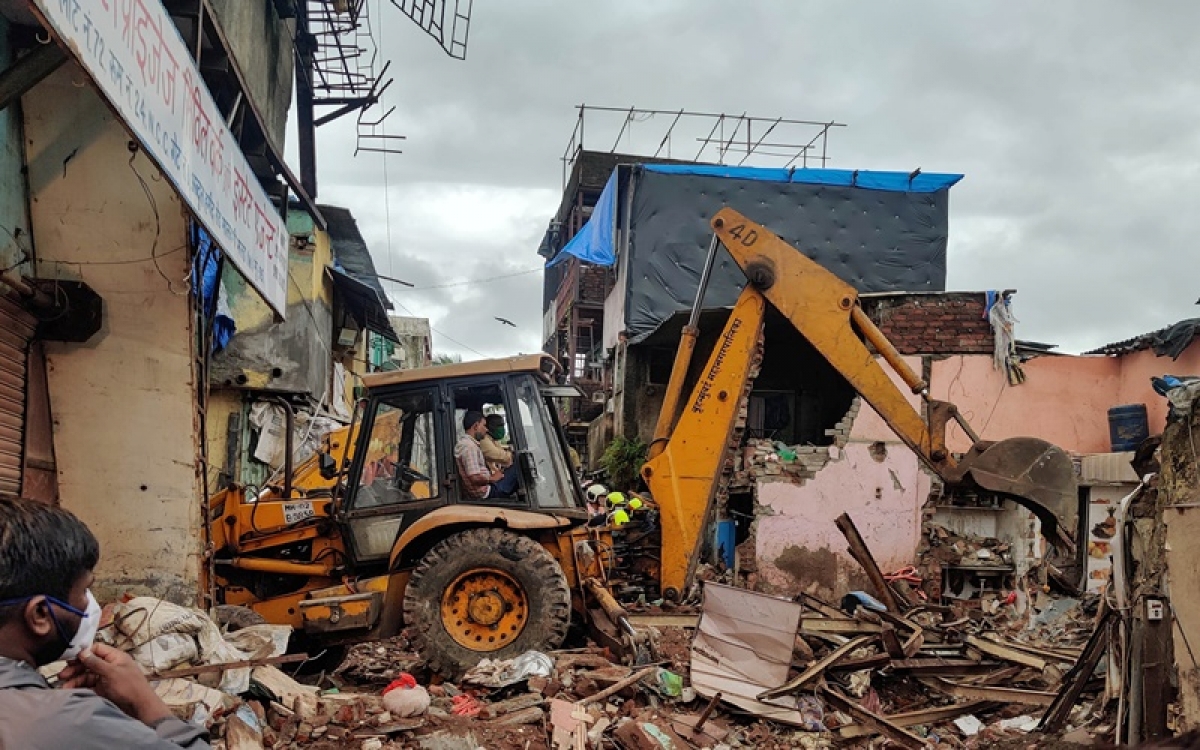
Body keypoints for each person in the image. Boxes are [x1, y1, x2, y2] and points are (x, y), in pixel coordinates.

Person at [0, 497, 209, 749]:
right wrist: (145, 703)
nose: (91, 603)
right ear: (40, 615)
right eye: (85, 590)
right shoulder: (66, 721)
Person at [456, 411, 520, 499]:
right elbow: (474, 477)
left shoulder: (470, 444)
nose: (486, 429)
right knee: (519, 463)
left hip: (488, 487)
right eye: (484, 426)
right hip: (487, 492)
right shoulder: (469, 447)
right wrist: (492, 478)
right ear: (475, 426)